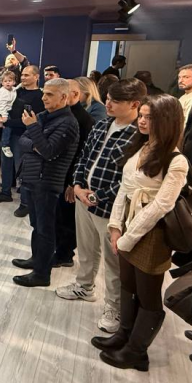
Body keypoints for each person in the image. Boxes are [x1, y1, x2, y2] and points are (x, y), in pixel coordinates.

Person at [91, 94, 187, 371]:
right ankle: (124, 335)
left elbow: (161, 206)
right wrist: (115, 226)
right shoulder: (142, 146)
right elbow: (125, 189)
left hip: (152, 234)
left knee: (148, 295)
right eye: (141, 116)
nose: (142, 121)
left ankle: (137, 351)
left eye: (149, 117)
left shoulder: (176, 160)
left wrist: (129, 236)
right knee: (128, 285)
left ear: (166, 121)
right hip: (128, 226)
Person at [56, 78, 145, 333]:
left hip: (111, 208)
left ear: (134, 104)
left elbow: (131, 180)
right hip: (83, 198)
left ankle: (115, 307)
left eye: (115, 101)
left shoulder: (140, 135)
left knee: (113, 262)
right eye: (107, 99)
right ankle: (84, 286)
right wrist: (77, 185)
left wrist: (97, 196)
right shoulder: (102, 124)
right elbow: (84, 157)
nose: (108, 104)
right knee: (86, 249)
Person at [11, 78, 80, 287]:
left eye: (49, 94)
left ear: (64, 97)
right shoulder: (42, 116)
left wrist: (33, 129)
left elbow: (49, 151)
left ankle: (42, 274)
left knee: (46, 229)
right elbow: (23, 141)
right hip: (32, 179)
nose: (43, 98)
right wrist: (36, 143)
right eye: (44, 93)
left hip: (47, 182)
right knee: (36, 225)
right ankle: (37, 260)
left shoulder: (68, 123)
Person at [53, 79, 96, 267]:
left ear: (75, 94)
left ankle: (65, 254)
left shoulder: (84, 120)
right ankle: (57, 250)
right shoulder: (62, 114)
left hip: (69, 177)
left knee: (67, 218)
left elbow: (83, 154)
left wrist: (73, 182)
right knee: (57, 216)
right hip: (57, 175)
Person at [0, 65, 44, 209]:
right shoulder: (16, 91)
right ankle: (5, 192)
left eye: (27, 75)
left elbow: (30, 120)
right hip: (8, 133)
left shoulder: (39, 96)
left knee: (22, 169)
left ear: (36, 77)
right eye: (22, 75)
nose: (23, 77)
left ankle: (25, 202)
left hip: (24, 136)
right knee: (6, 164)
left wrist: (6, 122)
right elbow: (3, 106)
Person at [0, 71, 18, 155]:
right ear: (2, 83)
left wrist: (21, 85)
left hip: (6, 110)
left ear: (14, 82)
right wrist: (4, 116)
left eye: (9, 81)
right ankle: (5, 145)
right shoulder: (3, 92)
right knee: (7, 126)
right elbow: (2, 105)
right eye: (5, 81)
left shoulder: (13, 89)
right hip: (1, 110)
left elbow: (16, 89)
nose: (7, 83)